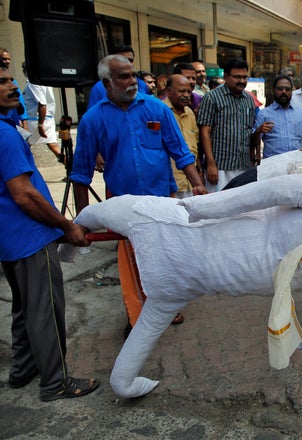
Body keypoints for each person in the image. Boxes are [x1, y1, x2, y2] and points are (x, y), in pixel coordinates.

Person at [73, 173, 302, 398]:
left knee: (136, 352)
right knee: (94, 217)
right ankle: (57, 247)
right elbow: (263, 192)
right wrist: (206, 207)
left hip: (187, 283)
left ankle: (124, 384)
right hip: (179, 230)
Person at [70, 54, 206, 334]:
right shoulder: (92, 120)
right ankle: (137, 314)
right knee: (131, 260)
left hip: (161, 198)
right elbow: (80, 174)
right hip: (123, 205)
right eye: (124, 76)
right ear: (108, 82)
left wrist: (198, 185)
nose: (132, 81)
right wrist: (81, 222)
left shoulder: (156, 109)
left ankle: (166, 306)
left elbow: (179, 151)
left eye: (132, 75)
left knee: (164, 254)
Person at [0, 62, 100, 401]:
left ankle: (24, 368)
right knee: (46, 310)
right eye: (2, 82)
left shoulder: (7, 125)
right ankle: (55, 382)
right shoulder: (4, 135)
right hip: (30, 236)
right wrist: (65, 225)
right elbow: (23, 194)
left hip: (10, 238)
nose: (13, 86)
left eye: (11, 80)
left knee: (24, 307)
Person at [197, 58, 257, 191]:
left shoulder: (248, 100)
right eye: (237, 77)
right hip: (220, 167)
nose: (242, 81)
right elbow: (204, 132)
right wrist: (211, 164)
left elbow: (249, 132)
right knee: (218, 206)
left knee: (242, 207)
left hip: (243, 165)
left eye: (244, 77)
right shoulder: (212, 98)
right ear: (226, 76)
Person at [252, 75, 302, 159]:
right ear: (273, 91)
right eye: (280, 89)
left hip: (296, 164)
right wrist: (258, 131)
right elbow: (252, 140)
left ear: (292, 92)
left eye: (287, 89)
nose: (284, 92)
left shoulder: (301, 114)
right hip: (272, 165)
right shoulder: (264, 114)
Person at [163, 74, 200, 198]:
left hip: (190, 182)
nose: (186, 95)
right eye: (182, 91)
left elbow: (195, 145)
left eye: (189, 91)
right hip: (171, 183)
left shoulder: (189, 112)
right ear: (169, 92)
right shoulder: (159, 110)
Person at [22, 62, 62, 160]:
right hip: (48, 118)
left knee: (25, 146)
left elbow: (42, 104)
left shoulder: (33, 83)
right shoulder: (45, 81)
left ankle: (27, 171)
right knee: (53, 146)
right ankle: (70, 167)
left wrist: (40, 125)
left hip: (36, 120)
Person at [0, 48, 28, 128]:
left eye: (9, 59)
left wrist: (24, 120)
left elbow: (20, 101)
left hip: (14, 120)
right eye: (4, 59)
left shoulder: (13, 82)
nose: (7, 61)